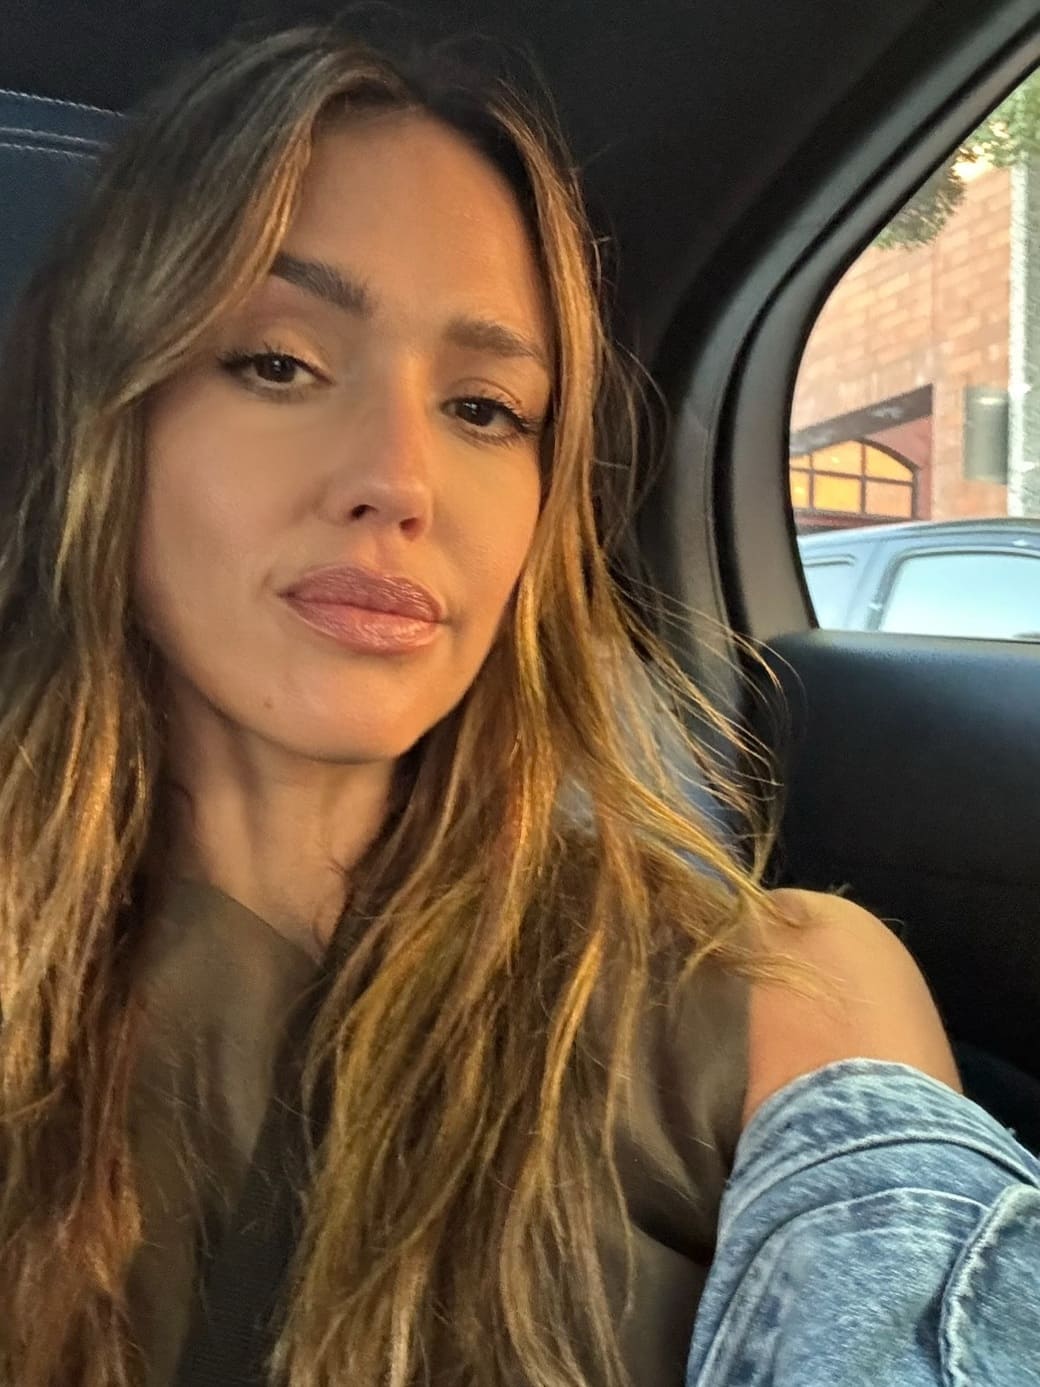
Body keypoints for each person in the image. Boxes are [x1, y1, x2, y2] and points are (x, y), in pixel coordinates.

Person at [0, 23, 990, 1387]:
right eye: (278, 362)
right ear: (103, 425)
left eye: (483, 407)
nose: (399, 480)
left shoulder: (779, 1005)